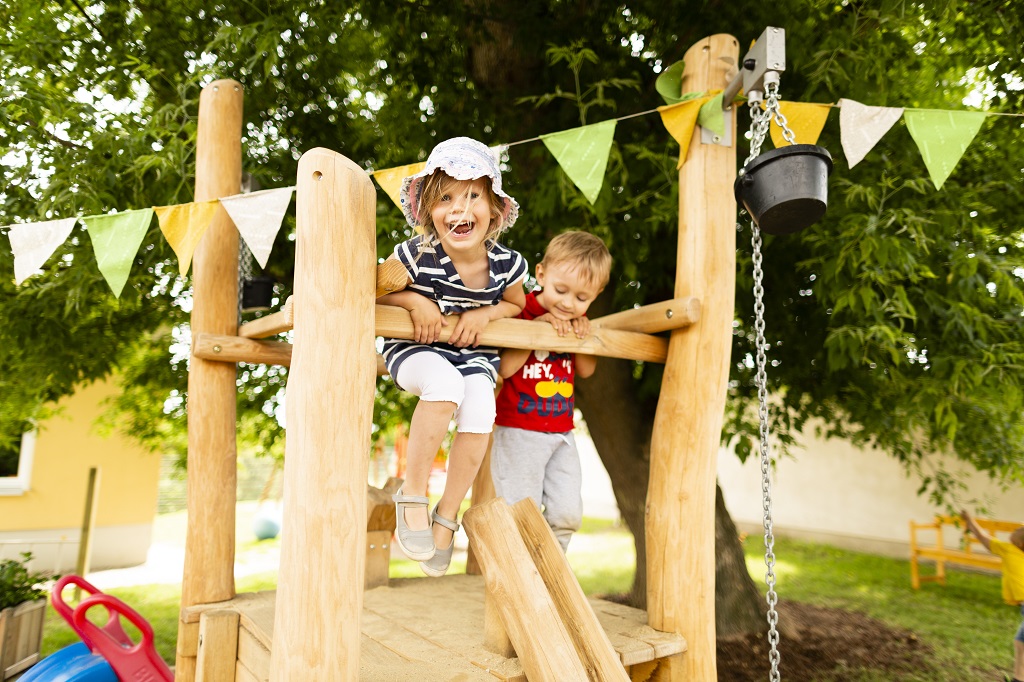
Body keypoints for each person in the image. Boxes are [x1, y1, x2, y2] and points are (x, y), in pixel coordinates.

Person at [379, 137, 528, 578]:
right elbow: (373, 291)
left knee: (481, 404)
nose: (459, 208)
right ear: (428, 210)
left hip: (471, 356)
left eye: (472, 196)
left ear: (495, 210)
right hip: (414, 352)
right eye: (445, 197)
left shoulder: (507, 265)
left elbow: (516, 305)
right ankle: (413, 494)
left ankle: (448, 513)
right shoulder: (414, 255)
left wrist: (487, 311)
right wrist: (412, 301)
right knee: (445, 385)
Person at [491, 230, 612, 551]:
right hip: (519, 430)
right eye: (561, 290)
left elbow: (585, 370)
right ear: (541, 274)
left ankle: (550, 571)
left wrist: (582, 337)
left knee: (567, 512)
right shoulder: (522, 310)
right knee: (520, 511)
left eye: (582, 298)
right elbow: (504, 370)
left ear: (597, 294)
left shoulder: (577, 321)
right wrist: (538, 331)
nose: (569, 303)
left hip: (561, 432)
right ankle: (518, 574)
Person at [962, 509, 1024, 682]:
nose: (1015, 530)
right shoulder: (1016, 550)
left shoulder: (1009, 550)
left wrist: (970, 521)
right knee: (1020, 643)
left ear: (1019, 543)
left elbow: (984, 538)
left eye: (1018, 530)